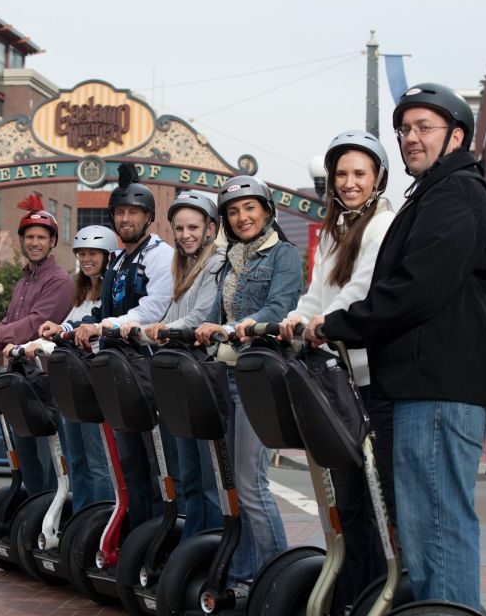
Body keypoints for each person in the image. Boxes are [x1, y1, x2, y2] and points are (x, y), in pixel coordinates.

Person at [310, 83, 486, 612]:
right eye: (405, 129)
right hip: (423, 383)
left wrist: (342, 324)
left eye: (425, 127)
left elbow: (414, 290)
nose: (411, 138)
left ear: (457, 136)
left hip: (442, 385)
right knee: (422, 531)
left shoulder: (457, 195)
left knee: (438, 529)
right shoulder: (434, 195)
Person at [279, 130, 395, 610]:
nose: (349, 183)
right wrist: (293, 319)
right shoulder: (332, 230)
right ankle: (349, 591)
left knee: (364, 497)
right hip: (333, 377)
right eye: (341, 175)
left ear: (378, 178)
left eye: (359, 174)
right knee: (343, 499)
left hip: (366, 377)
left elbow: (360, 293)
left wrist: (318, 325)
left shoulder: (381, 226)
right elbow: (316, 294)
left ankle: (368, 593)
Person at [44, 165, 175, 528]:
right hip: (117, 371)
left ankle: (158, 533)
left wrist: (107, 325)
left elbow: (153, 308)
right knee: (129, 462)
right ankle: (134, 532)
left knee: (153, 464)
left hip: (145, 370)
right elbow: (102, 310)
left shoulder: (159, 255)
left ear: (148, 216)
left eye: (133, 212)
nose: (126, 218)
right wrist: (67, 327)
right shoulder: (119, 261)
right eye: (120, 212)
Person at [194, 175, 302, 588]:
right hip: (225, 373)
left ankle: (278, 581)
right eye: (234, 212)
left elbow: (279, 306)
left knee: (251, 485)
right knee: (231, 487)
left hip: (258, 376)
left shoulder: (283, 256)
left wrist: (234, 326)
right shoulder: (229, 260)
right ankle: (242, 577)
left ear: (267, 211)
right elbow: (214, 310)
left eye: (250, 208)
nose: (242, 217)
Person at [125, 191, 226, 539]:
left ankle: (208, 548)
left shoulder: (215, 263)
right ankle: (189, 546)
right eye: (180, 228)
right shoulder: (183, 266)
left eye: (194, 227)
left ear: (211, 229)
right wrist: (140, 331)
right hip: (180, 376)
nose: (186, 234)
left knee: (208, 481)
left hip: (202, 377)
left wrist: (165, 330)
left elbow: (201, 316)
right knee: (190, 477)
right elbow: (170, 315)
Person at [0, 208, 74, 495]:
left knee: (48, 468)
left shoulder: (59, 281)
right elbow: (10, 324)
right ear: (22, 240)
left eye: (41, 237)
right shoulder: (23, 282)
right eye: (29, 236)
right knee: (27, 463)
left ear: (52, 241)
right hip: (19, 384)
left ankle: (49, 521)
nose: (35, 242)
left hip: (45, 386)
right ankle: (31, 521)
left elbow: (33, 325)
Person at [4, 225, 117, 512]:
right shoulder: (81, 292)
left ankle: (98, 521)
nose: (87, 259)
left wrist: (53, 338)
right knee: (76, 460)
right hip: (71, 386)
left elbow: (95, 329)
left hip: (94, 385)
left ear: (107, 256)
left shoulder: (110, 292)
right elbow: (63, 328)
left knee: (97, 462)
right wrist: (39, 340)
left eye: (93, 253)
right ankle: (80, 521)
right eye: (82, 253)